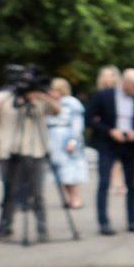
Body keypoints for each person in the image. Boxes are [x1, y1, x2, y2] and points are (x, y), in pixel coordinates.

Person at [0, 70, 51, 243]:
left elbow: (57, 110)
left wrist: (41, 95)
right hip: (8, 151)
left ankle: (42, 229)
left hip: (35, 150)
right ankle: (5, 227)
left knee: (37, 193)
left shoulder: (39, 97)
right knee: (9, 193)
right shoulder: (2, 97)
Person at [87, 68, 134, 234]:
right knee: (104, 182)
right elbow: (89, 119)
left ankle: (132, 220)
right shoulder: (103, 96)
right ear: (125, 83)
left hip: (130, 144)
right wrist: (110, 131)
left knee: (131, 183)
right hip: (108, 144)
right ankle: (103, 222)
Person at [43, 77, 88, 215]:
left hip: (66, 136)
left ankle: (75, 197)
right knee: (60, 171)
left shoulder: (71, 103)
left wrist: (73, 141)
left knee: (71, 171)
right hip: (52, 138)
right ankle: (67, 197)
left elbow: (77, 124)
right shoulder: (48, 103)